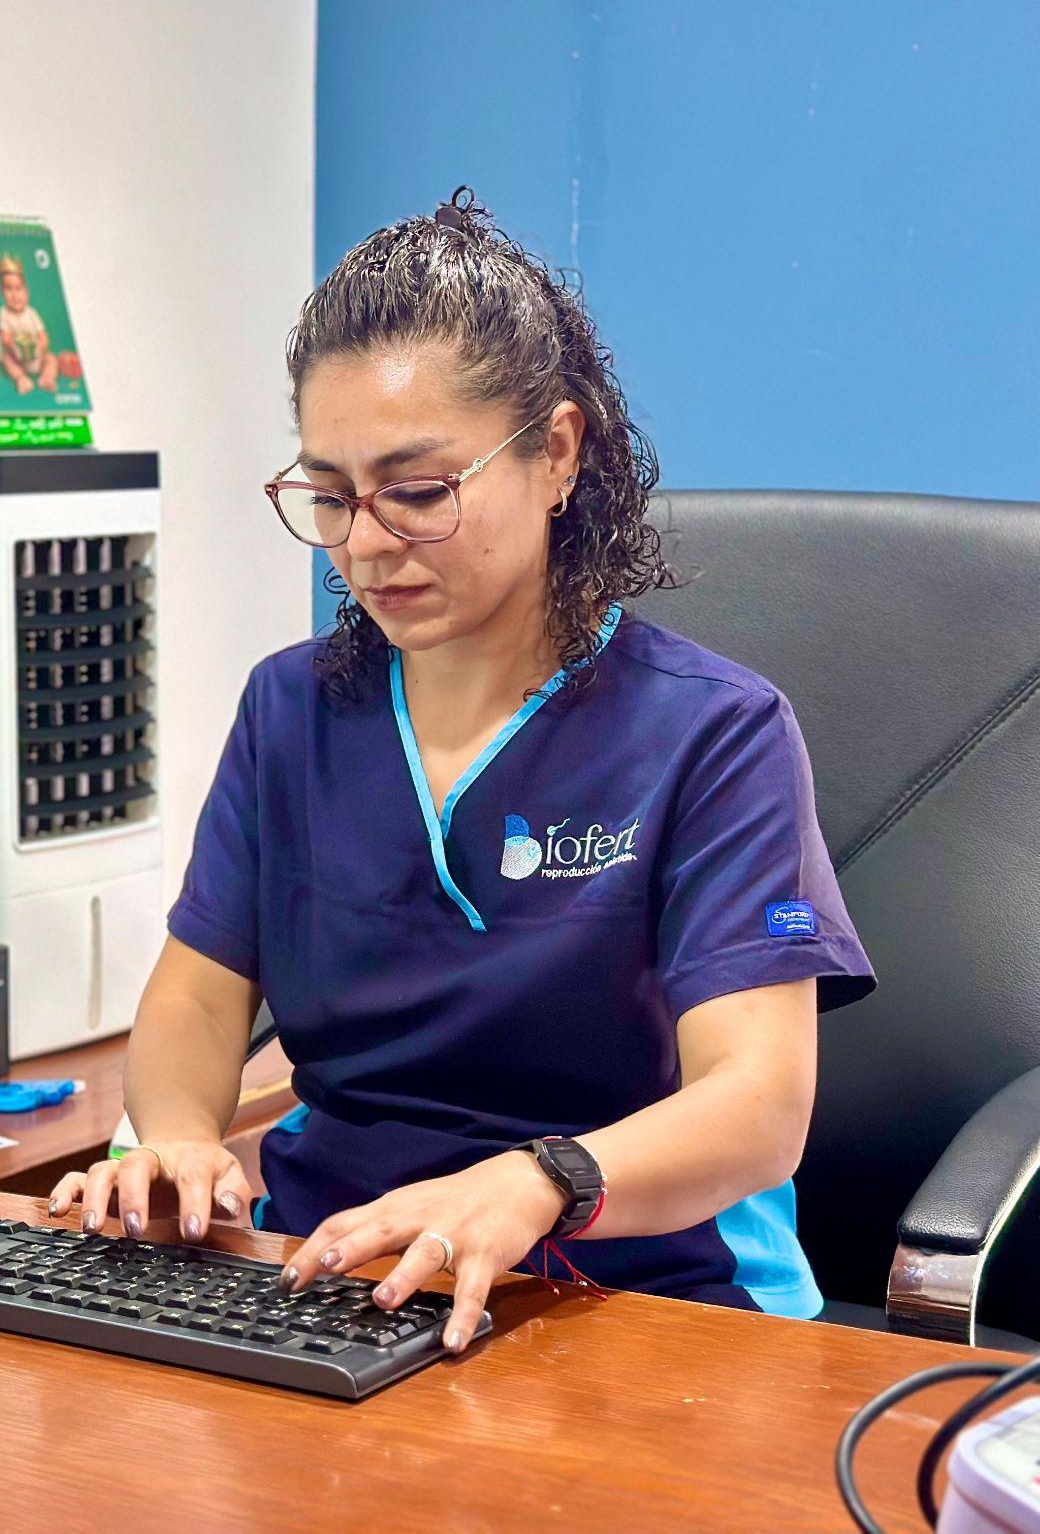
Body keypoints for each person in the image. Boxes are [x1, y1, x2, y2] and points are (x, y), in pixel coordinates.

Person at [49, 187, 875, 1355]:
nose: (366, 544)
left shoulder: (713, 734)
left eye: (417, 490)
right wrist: (176, 1133)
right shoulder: (292, 709)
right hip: (331, 1289)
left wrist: (543, 1180)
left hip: (634, 1300)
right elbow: (194, 994)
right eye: (329, 497)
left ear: (553, 452)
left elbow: (756, 1108)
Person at [0, 253, 59, 395]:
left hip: (36, 356)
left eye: (18, 289)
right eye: (8, 289)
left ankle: (47, 378)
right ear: (1, 292)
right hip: (17, 357)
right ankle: (22, 379)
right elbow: (4, 336)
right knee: (6, 359)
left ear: (27, 292)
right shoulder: (4, 313)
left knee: (51, 359)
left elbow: (43, 336)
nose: (14, 295)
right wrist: (12, 346)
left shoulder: (31, 313)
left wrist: (39, 347)